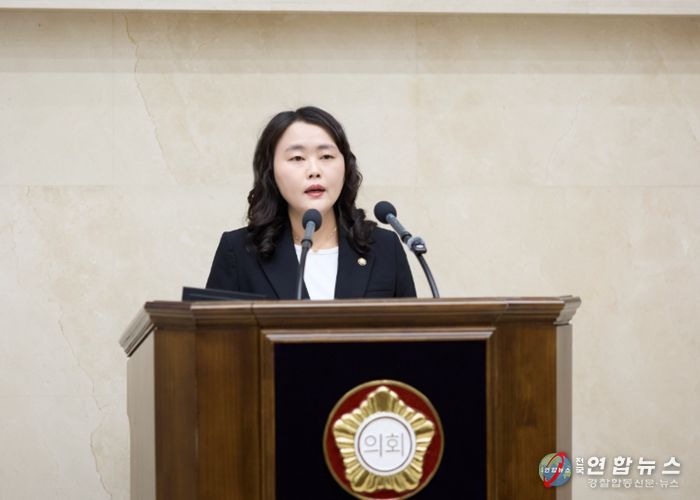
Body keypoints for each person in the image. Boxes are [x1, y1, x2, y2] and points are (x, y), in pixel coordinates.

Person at [206, 106, 416, 300]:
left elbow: (411, 328)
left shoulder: (384, 248)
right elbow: (214, 328)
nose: (314, 171)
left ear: (346, 166)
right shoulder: (239, 251)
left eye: (326, 156)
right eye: (297, 158)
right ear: (271, 171)